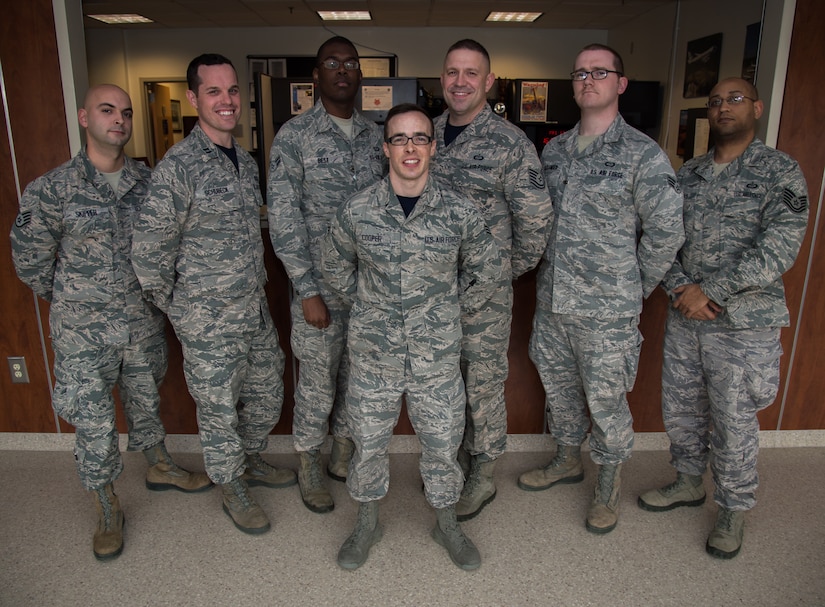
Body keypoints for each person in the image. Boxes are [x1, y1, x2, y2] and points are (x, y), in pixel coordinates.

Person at [10, 84, 212, 561]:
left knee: (147, 400)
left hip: (141, 324)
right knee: (94, 420)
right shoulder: (52, 189)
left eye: (125, 112)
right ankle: (106, 504)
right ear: (84, 118)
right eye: (107, 111)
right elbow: (31, 263)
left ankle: (159, 465)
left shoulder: (151, 183)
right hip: (83, 332)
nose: (118, 120)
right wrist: (77, 301)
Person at [321, 103, 503, 571]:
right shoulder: (358, 210)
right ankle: (367, 523)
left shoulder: (459, 211)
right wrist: (366, 308)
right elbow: (334, 266)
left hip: (436, 355)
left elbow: (487, 270)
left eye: (419, 138)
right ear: (385, 148)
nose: (410, 148)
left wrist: (447, 313)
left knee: (443, 443)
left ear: (432, 147)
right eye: (399, 138)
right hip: (374, 353)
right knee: (368, 442)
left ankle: (447, 523)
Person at [637, 77, 809, 559]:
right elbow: (662, 237)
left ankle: (733, 509)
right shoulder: (687, 174)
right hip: (686, 318)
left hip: (743, 322)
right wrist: (679, 288)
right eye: (714, 102)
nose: (722, 107)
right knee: (683, 407)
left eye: (734, 99)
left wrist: (709, 290)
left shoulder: (779, 171)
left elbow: (780, 246)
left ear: (756, 107)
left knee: (734, 418)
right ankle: (689, 481)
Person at [517, 44, 684, 534]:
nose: (589, 80)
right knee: (560, 390)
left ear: (620, 83)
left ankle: (607, 482)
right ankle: (567, 459)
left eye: (600, 72)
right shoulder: (555, 150)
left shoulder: (642, 154)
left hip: (607, 311)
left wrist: (632, 285)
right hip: (553, 304)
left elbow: (667, 231)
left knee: (607, 401)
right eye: (581, 73)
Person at [131, 54, 296, 536]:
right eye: (213, 92)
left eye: (231, 92)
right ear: (194, 99)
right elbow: (148, 253)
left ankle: (245, 460)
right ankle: (231, 486)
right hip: (207, 318)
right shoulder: (178, 168)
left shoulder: (243, 161)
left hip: (252, 309)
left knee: (267, 393)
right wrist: (181, 308)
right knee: (219, 406)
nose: (226, 101)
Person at [430, 39, 553, 521]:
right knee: (442, 383)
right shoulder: (425, 134)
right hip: (431, 295)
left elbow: (537, 220)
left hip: (485, 297)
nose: (460, 82)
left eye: (471, 73)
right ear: (442, 78)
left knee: (481, 384)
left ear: (489, 81)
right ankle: (452, 459)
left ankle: (482, 472)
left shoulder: (509, 142)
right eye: (452, 72)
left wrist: (500, 271)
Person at [267, 36, 386, 514]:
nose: (342, 70)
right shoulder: (294, 137)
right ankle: (309, 462)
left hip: (369, 291)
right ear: (314, 76)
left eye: (351, 63)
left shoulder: (378, 137)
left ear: (360, 76)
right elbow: (284, 218)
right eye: (331, 64)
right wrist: (306, 289)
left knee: (358, 380)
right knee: (317, 382)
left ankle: (342, 449)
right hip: (318, 290)